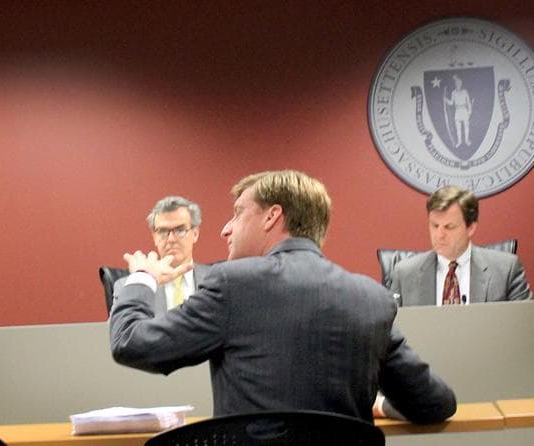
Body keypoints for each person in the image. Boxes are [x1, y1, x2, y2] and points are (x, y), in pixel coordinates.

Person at [110, 170, 456, 423]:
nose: (226, 228)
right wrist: (378, 406)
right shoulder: (372, 299)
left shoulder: (231, 284)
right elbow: (435, 403)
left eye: (238, 212)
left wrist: (141, 278)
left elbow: (131, 343)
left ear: (272, 216)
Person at [390, 185, 533, 306]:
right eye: (435, 226)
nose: (440, 235)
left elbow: (523, 324)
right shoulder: (404, 274)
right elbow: (391, 327)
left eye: (449, 227)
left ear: (471, 228)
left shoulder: (506, 270)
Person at [113, 195, 211, 316]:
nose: (171, 239)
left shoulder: (216, 281)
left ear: (195, 234)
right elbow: (122, 327)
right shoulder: (127, 288)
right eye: (163, 231)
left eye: (180, 230)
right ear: (155, 237)